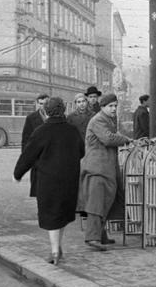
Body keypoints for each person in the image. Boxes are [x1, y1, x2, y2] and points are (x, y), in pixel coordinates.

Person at [13, 97, 84, 265]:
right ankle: (58, 248)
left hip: (48, 180)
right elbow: (81, 151)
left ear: (45, 111)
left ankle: (54, 251)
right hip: (69, 180)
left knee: (51, 213)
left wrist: (18, 173)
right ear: (64, 110)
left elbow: (28, 156)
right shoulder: (72, 131)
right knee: (63, 213)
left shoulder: (41, 131)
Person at [77, 93, 132, 251]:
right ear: (102, 107)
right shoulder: (99, 120)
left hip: (105, 168)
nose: (114, 108)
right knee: (96, 203)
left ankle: (101, 235)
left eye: (115, 106)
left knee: (106, 201)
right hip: (96, 168)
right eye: (110, 106)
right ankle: (92, 237)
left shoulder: (108, 119)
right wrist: (125, 139)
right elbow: (108, 139)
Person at [21, 93, 49, 197]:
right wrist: (26, 158)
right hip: (37, 158)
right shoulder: (31, 118)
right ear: (37, 104)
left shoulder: (55, 117)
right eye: (41, 104)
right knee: (38, 187)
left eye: (45, 103)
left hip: (51, 157)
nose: (43, 106)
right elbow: (25, 139)